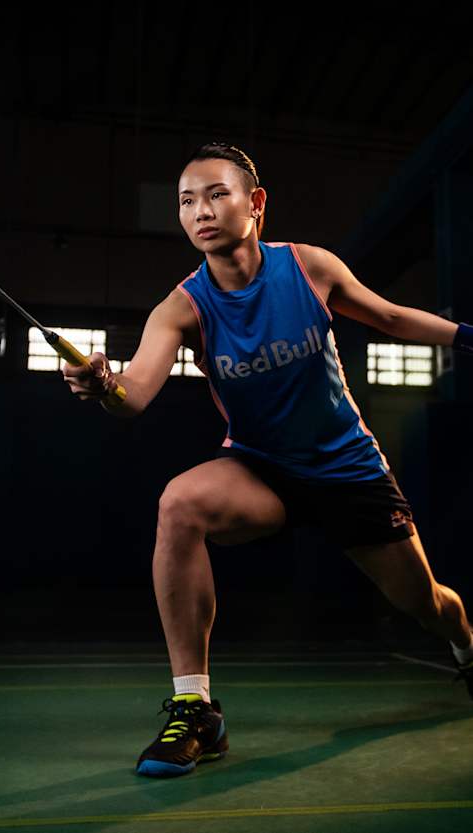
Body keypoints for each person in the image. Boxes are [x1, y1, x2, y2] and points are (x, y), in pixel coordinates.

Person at [62, 140, 473, 779]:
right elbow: (133, 394)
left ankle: (468, 647)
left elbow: (390, 316)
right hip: (262, 469)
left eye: (216, 194)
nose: (200, 210)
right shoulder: (182, 307)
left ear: (255, 204)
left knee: (426, 604)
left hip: (348, 469)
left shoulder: (309, 268)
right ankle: (195, 708)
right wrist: (101, 385)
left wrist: (466, 336)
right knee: (180, 503)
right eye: (186, 201)